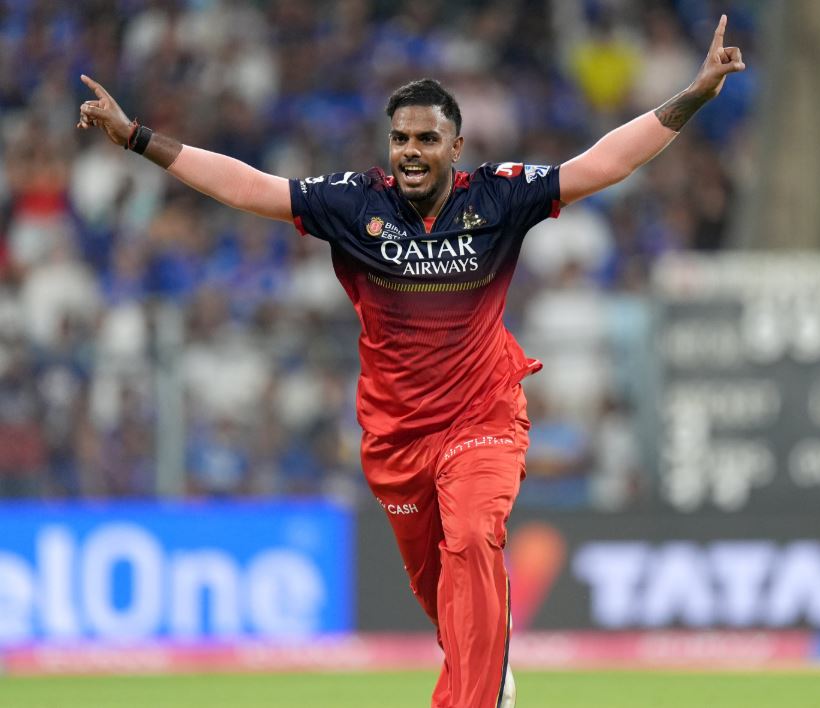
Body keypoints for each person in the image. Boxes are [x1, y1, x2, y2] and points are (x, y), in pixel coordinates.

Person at [78, 15, 743, 708]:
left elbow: (603, 163)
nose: (412, 151)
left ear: (456, 143)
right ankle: (488, 657)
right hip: (396, 439)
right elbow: (247, 186)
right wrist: (138, 139)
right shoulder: (352, 203)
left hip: (483, 418)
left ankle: (478, 697)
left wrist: (692, 95)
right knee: (441, 598)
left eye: (427, 138)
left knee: (473, 535)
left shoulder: (499, 195)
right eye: (400, 139)